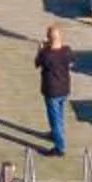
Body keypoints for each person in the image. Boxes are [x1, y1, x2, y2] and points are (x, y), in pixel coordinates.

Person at [34, 26, 73, 156]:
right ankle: (56, 134)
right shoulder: (67, 51)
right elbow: (71, 62)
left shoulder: (46, 54)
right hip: (64, 88)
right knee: (59, 114)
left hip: (52, 90)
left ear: (49, 39)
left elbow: (37, 63)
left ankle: (59, 147)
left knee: (54, 118)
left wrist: (40, 49)